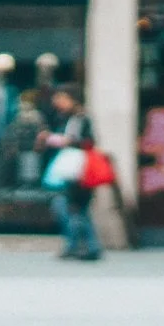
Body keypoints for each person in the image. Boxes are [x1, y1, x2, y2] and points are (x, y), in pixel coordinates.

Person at [42, 88, 101, 262]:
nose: (57, 102)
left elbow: (86, 141)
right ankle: (85, 245)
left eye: (61, 98)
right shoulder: (62, 118)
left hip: (75, 170)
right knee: (76, 209)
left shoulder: (80, 119)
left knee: (72, 207)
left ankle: (82, 245)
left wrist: (60, 140)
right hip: (68, 169)